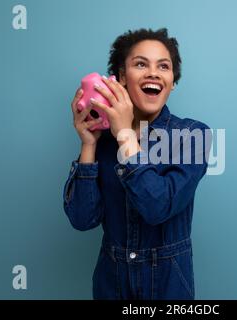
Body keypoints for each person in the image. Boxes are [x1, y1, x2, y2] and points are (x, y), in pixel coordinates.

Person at [63, 28, 211, 300]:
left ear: (172, 81)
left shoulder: (194, 136)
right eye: (141, 64)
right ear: (120, 77)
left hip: (168, 286)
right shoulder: (103, 141)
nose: (153, 73)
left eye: (163, 66)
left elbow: (157, 207)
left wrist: (125, 136)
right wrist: (88, 144)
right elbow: (83, 219)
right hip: (111, 285)